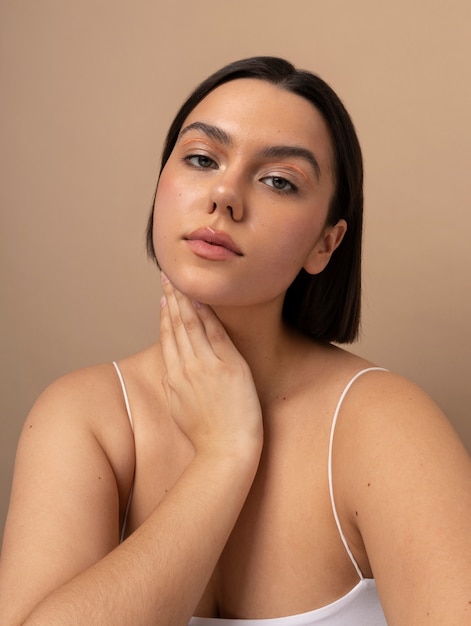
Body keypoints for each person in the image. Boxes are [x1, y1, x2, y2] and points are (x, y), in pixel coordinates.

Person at [0, 56, 470, 626]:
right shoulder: (84, 416)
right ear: (159, 188)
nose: (224, 195)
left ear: (326, 243)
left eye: (278, 180)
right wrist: (223, 458)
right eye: (201, 159)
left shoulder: (385, 424)